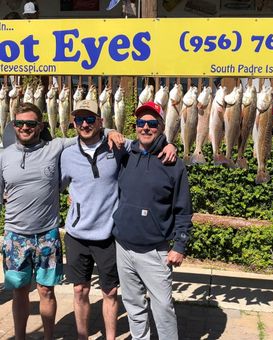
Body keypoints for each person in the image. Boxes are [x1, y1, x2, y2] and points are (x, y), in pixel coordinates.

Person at [0, 102, 121, 340]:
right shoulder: (3, 156)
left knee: (46, 290)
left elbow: (87, 134)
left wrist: (111, 132)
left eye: (31, 123)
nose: (25, 127)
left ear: (41, 126)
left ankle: (48, 337)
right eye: (19, 123)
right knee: (20, 292)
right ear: (13, 126)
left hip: (48, 234)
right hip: (15, 235)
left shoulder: (55, 147)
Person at [60, 99, 176, 340]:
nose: (84, 124)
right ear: (73, 122)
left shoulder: (119, 146)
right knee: (80, 290)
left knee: (110, 291)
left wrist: (171, 145)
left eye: (90, 119)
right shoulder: (67, 153)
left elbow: (149, 143)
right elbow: (58, 185)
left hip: (107, 234)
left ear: (100, 121)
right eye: (79, 119)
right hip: (76, 234)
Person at [112, 102, 193, 340]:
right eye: (140, 123)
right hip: (123, 246)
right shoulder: (126, 154)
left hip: (155, 251)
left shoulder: (173, 162)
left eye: (151, 123)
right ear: (135, 126)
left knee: (163, 308)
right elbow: (97, 132)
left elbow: (183, 208)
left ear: (160, 126)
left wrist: (180, 245)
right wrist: (110, 132)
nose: (145, 128)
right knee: (133, 304)